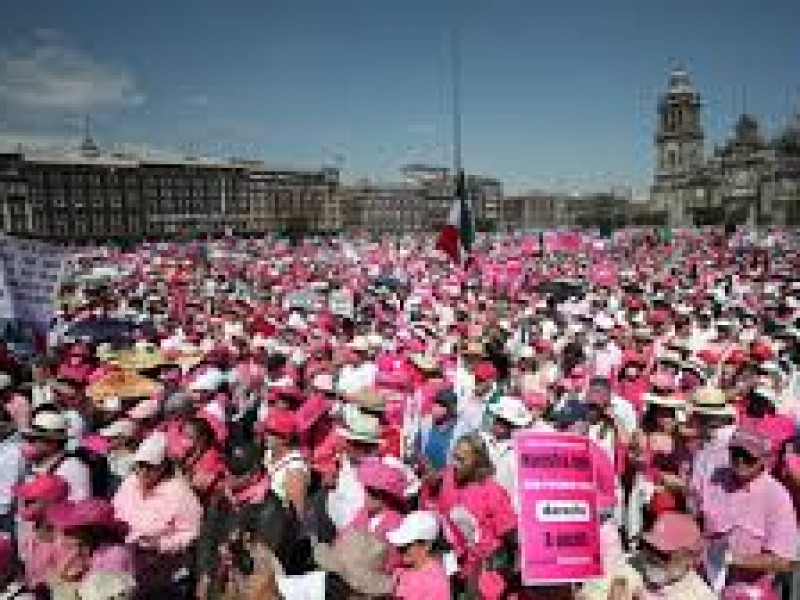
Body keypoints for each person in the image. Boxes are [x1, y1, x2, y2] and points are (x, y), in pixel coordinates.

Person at [697, 426, 798, 599]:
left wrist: (730, 558)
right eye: (735, 453)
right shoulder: (716, 478)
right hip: (704, 582)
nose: (740, 461)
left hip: (746, 591)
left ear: (764, 459)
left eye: (748, 457)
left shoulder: (777, 496)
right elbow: (698, 520)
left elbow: (783, 561)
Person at [111, 431, 202, 597]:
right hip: (125, 561)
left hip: (160, 570)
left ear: (163, 466)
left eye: (150, 467)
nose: (143, 471)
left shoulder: (181, 494)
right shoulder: (129, 483)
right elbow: (115, 510)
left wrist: (161, 544)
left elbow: (192, 534)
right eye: (140, 465)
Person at [21, 407, 91, 502]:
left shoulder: (72, 468)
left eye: (33, 440)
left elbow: (79, 510)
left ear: (52, 443)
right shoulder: (37, 463)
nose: (28, 444)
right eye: (27, 438)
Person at [386, 511, 451, 600]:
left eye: (407, 545)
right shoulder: (400, 571)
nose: (401, 549)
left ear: (426, 545)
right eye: (400, 545)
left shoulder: (435, 583)